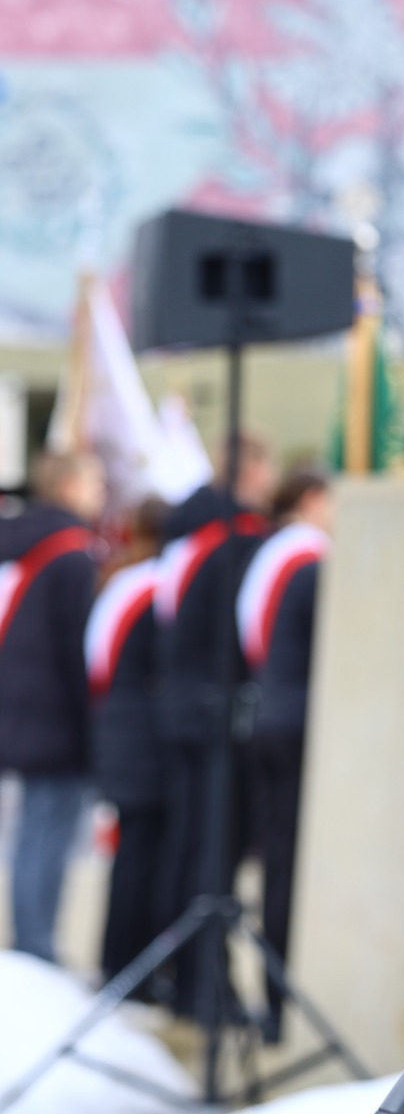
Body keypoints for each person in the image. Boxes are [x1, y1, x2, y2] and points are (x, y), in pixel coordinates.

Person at [154, 433, 275, 1012]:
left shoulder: (188, 531)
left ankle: (186, 979)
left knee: (188, 847)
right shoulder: (238, 535)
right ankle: (207, 986)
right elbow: (242, 628)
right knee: (210, 850)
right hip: (212, 711)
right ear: (250, 468)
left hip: (182, 703)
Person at [0, 451, 104, 962]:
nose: (101, 489)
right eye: (93, 479)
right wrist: (93, 725)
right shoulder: (72, 554)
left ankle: (28, 940)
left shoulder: (15, 544)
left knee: (29, 834)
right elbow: (77, 649)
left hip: (14, 706)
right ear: (67, 485)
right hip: (55, 713)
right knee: (47, 832)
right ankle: (36, 947)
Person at [242, 469, 333, 1034]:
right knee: (288, 866)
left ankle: (274, 998)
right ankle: (278, 1000)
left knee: (279, 862)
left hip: (271, 713)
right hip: (299, 725)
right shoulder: (311, 561)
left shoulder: (279, 555)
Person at [90, 494, 171, 982]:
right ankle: (127, 969)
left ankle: (117, 961)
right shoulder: (154, 587)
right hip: (141, 739)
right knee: (141, 857)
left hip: (118, 729)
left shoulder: (123, 580)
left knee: (131, 855)